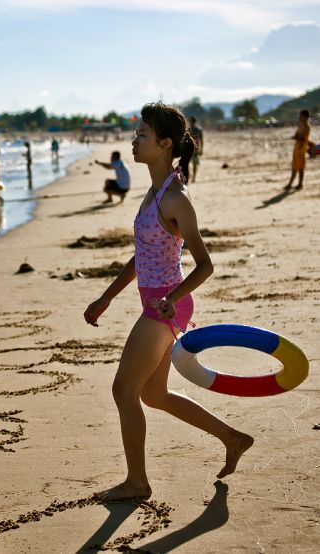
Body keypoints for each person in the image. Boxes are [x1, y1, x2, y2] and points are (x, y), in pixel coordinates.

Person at [83, 102, 253, 501]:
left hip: (166, 306)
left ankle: (137, 482)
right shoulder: (156, 190)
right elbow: (142, 253)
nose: (134, 140)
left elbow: (205, 265)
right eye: (137, 134)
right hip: (157, 303)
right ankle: (232, 437)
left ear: (164, 144)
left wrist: (170, 299)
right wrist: (107, 296)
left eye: (142, 135)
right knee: (153, 395)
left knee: (124, 391)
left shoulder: (176, 197)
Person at [285, 109, 312, 191]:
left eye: (301, 116)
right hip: (297, 147)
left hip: (301, 148)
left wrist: (295, 137)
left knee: (300, 167)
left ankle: (300, 184)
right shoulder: (301, 125)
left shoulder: (307, 127)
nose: (299, 117)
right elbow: (298, 135)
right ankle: (290, 184)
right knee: (294, 167)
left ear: (305, 117)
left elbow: (301, 138)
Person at [188, 117, 204, 183]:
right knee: (187, 164)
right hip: (188, 149)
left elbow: (201, 140)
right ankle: (190, 176)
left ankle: (193, 177)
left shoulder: (198, 130)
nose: (191, 123)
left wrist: (201, 149)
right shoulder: (187, 129)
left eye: (192, 122)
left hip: (195, 149)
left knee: (194, 164)